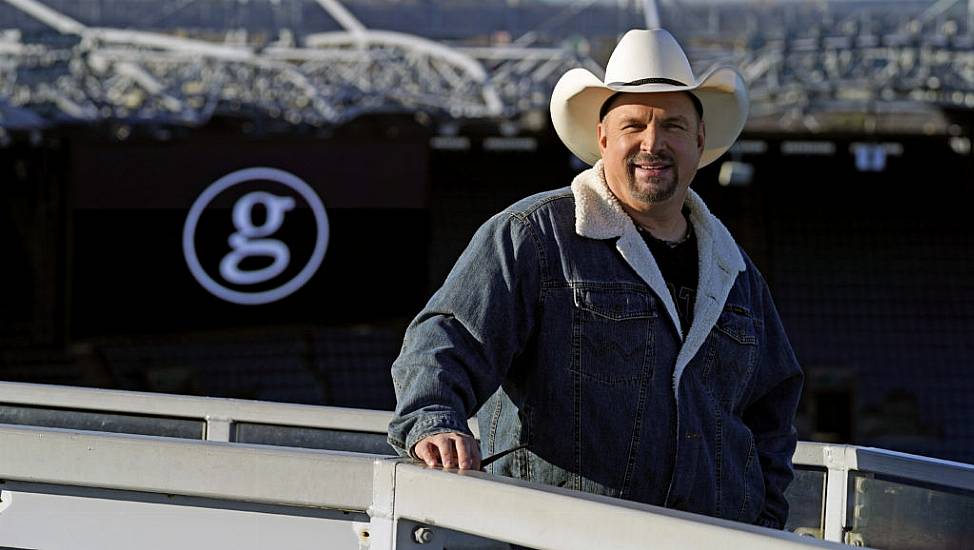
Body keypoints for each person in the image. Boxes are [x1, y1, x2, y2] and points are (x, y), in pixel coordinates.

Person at [388, 28, 803, 529]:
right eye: (634, 125)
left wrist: (764, 517)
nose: (653, 142)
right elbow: (446, 338)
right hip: (558, 536)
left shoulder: (735, 271)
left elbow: (772, 413)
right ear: (603, 138)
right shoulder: (535, 236)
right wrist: (435, 422)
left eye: (672, 125)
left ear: (699, 140)